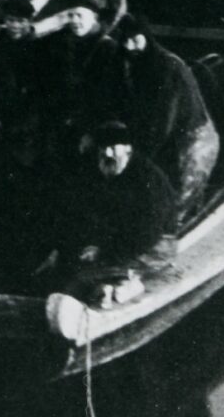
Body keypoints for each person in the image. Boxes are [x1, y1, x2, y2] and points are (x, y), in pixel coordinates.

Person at [101, 16, 218, 220]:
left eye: (136, 39)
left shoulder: (167, 67)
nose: (130, 46)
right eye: (125, 40)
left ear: (146, 37)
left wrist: (140, 156)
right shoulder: (131, 61)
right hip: (167, 135)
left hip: (194, 139)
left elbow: (164, 120)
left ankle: (176, 225)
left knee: (180, 197)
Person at [64, 120, 178, 304]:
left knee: (81, 281)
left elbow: (148, 233)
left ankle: (125, 285)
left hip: (155, 248)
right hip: (121, 246)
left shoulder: (149, 180)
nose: (107, 153)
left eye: (113, 147)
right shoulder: (108, 173)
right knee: (67, 269)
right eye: (103, 148)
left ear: (127, 149)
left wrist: (103, 252)